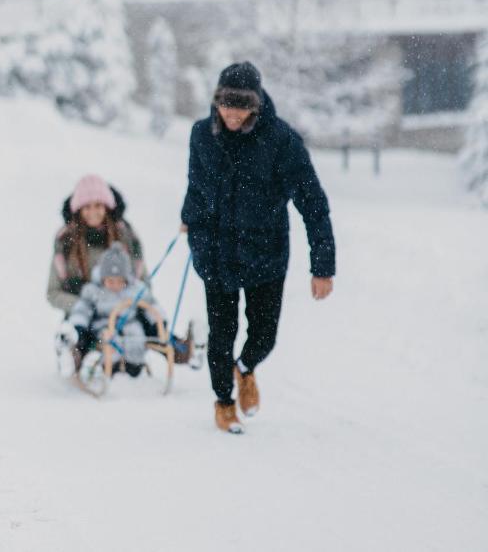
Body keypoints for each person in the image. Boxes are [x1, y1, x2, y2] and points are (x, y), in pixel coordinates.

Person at [181, 62, 335, 434]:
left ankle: (246, 368)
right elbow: (196, 186)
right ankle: (223, 401)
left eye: (241, 105)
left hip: (265, 254)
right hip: (217, 253)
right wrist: (191, 223)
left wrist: (323, 265)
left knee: (264, 334)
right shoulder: (202, 134)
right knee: (222, 334)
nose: (232, 113)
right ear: (216, 102)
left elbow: (312, 202)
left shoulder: (281, 141)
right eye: (225, 104)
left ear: (256, 106)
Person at [56, 243, 164, 390]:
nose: (115, 285)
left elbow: (152, 306)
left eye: (120, 281)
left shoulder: (136, 290)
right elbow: (82, 310)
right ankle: (97, 363)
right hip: (104, 325)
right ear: (102, 278)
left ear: (126, 279)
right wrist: (79, 327)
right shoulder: (93, 291)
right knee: (108, 340)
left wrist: (158, 324)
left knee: (136, 338)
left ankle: (133, 368)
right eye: (110, 281)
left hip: (130, 325)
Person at [47, 174, 145, 316]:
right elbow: (53, 292)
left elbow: (143, 283)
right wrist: (85, 306)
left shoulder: (125, 237)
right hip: (83, 318)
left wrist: (122, 305)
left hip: (124, 315)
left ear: (107, 207)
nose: (93, 212)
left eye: (98, 205)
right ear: (78, 210)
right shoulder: (66, 241)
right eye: (86, 206)